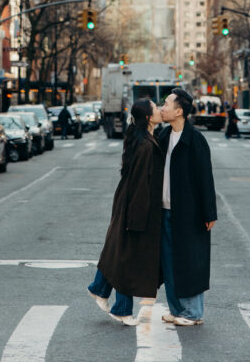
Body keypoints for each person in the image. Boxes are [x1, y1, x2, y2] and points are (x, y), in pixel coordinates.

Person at [88, 97, 164, 326]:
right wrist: (137, 219)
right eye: (155, 108)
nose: (160, 109)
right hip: (135, 206)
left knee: (118, 249)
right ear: (149, 117)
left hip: (127, 201)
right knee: (127, 254)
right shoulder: (146, 145)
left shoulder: (144, 139)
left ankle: (99, 288)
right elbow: (142, 183)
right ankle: (121, 308)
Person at [158, 87, 217, 326]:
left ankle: (193, 313)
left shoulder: (195, 140)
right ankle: (176, 310)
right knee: (169, 262)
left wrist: (209, 212)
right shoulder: (163, 136)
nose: (162, 108)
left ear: (179, 111)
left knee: (191, 261)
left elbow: (205, 178)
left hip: (189, 212)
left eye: (166, 104)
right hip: (164, 210)